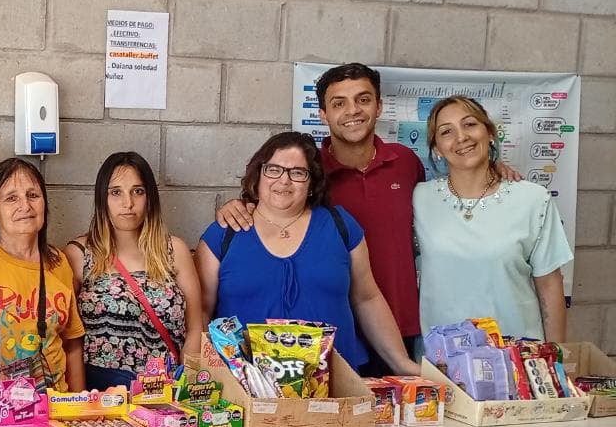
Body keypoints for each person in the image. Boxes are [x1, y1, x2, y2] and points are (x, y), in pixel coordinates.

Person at [215, 63, 519, 374]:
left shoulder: (405, 162)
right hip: (336, 333)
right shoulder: (306, 171)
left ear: (378, 106)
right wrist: (238, 206)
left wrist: (493, 172)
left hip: (399, 326)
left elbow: (453, 191)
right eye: (338, 103)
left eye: (363, 99)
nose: (352, 111)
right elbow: (271, 205)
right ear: (323, 115)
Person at [196, 131, 419, 376]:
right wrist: (203, 375)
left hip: (335, 382)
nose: (284, 181)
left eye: (297, 173)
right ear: (257, 175)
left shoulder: (340, 226)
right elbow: (202, 312)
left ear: (312, 184)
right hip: (247, 386)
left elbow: (367, 298)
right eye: (273, 169)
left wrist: (402, 363)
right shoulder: (224, 234)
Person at [415, 95, 571, 341]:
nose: (461, 137)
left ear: (489, 133)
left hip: (517, 359)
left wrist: (557, 357)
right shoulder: (420, 198)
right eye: (446, 132)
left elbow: (550, 286)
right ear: (437, 150)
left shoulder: (532, 199)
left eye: (469, 124)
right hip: (442, 362)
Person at [64, 151, 204, 388]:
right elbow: (68, 337)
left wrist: (186, 385)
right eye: (115, 192)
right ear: (101, 198)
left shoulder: (174, 251)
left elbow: (195, 328)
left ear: (150, 197)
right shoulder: (79, 254)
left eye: (137, 191)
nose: (128, 203)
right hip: (102, 392)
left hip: (164, 391)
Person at [0, 158, 85, 392]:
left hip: (54, 404)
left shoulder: (59, 262)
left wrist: (78, 405)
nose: (25, 206)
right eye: (11, 198)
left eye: (33, 195)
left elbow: (72, 344)